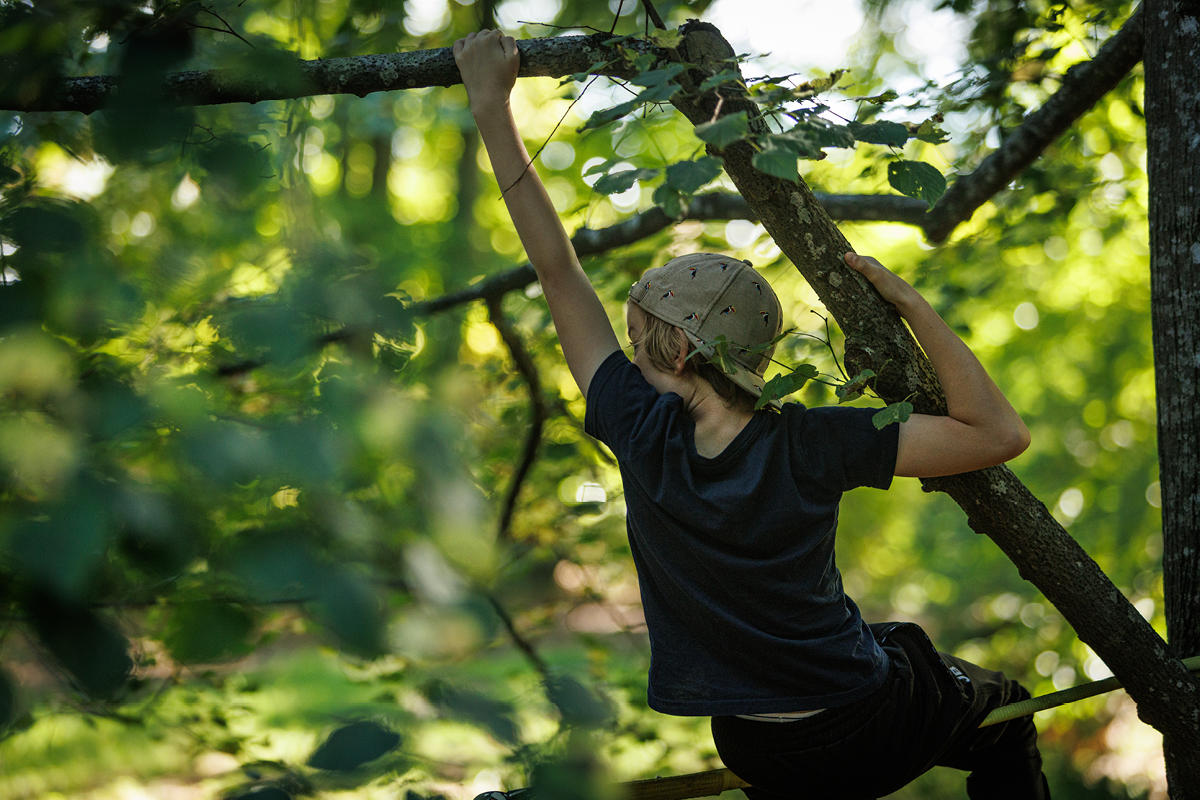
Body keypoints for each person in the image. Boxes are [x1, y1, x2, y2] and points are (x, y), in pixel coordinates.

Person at [453, 29, 1049, 800]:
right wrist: (909, 304)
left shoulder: (640, 430)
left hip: (749, 742)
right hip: (863, 720)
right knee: (1004, 715)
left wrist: (490, 107)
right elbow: (999, 435)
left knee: (888, 647)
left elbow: (557, 269)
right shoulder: (814, 441)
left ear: (672, 351)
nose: (628, 358)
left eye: (637, 342)